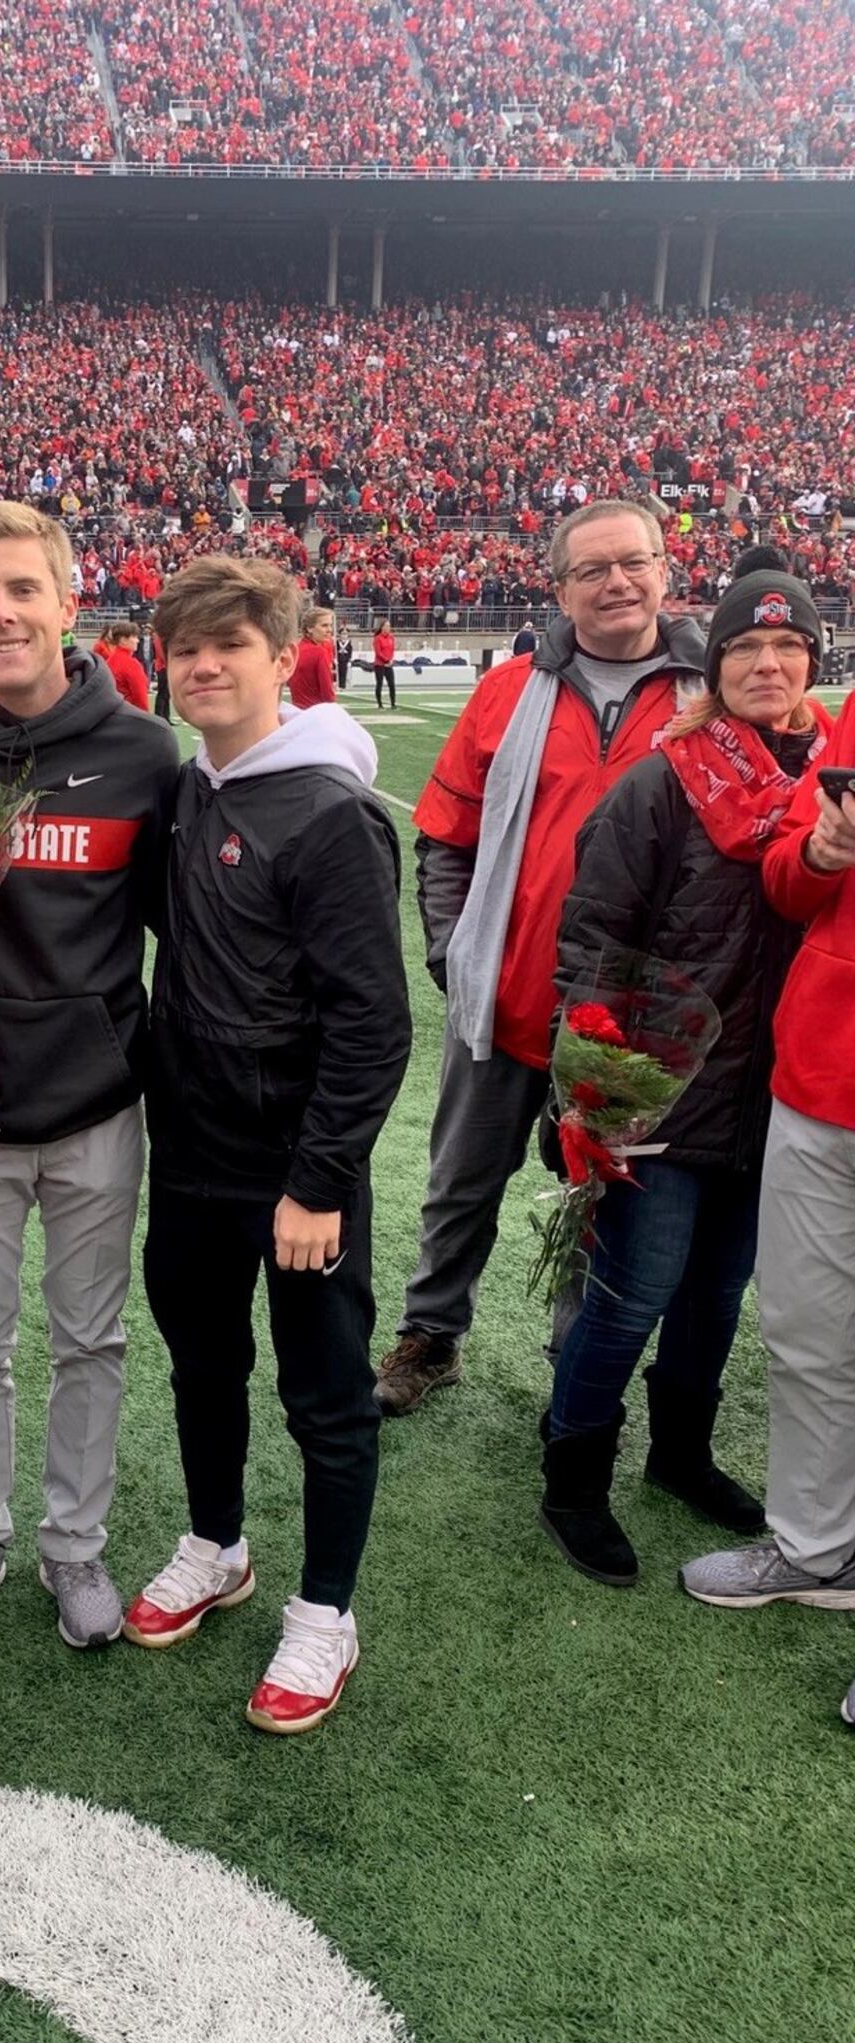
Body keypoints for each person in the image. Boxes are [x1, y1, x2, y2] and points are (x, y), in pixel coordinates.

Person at [123, 558, 411, 1733]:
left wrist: (318, 1181)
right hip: (191, 1153)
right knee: (202, 1368)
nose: (204, 665)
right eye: (185, 647)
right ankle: (216, 1543)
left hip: (295, 1177)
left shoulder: (328, 811)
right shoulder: (193, 789)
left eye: (229, 646)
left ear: (282, 656)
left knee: (327, 1398)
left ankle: (325, 1612)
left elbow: (372, 1023)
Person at [0, 501, 179, 1653]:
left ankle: (75, 1548)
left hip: (97, 1104)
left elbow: (178, 930)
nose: (4, 612)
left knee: (89, 1342)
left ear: (70, 603)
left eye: (24, 590)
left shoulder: (141, 753)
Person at [375, 502, 706, 1416]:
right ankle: (432, 1335)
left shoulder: (706, 701)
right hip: (506, 998)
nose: (617, 583)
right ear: (559, 588)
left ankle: (578, 1355)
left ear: (664, 571)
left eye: (633, 563)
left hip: (627, 1023)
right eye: (592, 570)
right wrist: (452, 951)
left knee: (600, 1204)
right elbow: (445, 838)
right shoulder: (508, 689)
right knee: (459, 1183)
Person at [540, 557, 831, 1585]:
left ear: (812, 659)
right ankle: (571, 1478)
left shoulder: (832, 787)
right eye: (744, 648)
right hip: (665, 1089)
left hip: (782, 1097)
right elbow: (594, 930)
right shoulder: (666, 778)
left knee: (716, 1297)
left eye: (785, 646)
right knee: (629, 1295)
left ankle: (678, 1456)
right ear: (713, 666)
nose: (765, 663)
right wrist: (590, 1083)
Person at [679, 676, 855, 1682]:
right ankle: (815, 1547)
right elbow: (787, 876)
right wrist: (819, 853)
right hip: (819, 1074)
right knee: (801, 1331)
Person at [290, 607, 338, 709]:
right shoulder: (319, 653)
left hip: (298, 710)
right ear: (309, 628)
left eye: (330, 625)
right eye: (324, 625)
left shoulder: (297, 649)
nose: (329, 630)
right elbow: (327, 692)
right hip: (317, 712)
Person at [371, 617, 396, 708]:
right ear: (382, 627)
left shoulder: (391, 637)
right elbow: (378, 652)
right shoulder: (378, 638)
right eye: (386, 626)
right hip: (380, 664)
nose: (387, 628)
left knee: (392, 684)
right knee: (379, 683)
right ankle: (380, 703)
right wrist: (386, 660)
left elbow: (392, 650)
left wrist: (391, 660)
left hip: (389, 664)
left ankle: (393, 703)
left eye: (389, 626)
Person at [335, 626, 355, 692]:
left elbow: (350, 652)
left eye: (345, 634)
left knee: (344, 673)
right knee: (338, 673)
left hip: (345, 660)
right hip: (339, 660)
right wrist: (334, 658)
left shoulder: (348, 643)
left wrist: (349, 660)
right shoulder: (337, 643)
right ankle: (338, 685)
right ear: (340, 634)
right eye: (343, 634)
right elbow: (335, 651)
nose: (344, 635)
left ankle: (343, 687)